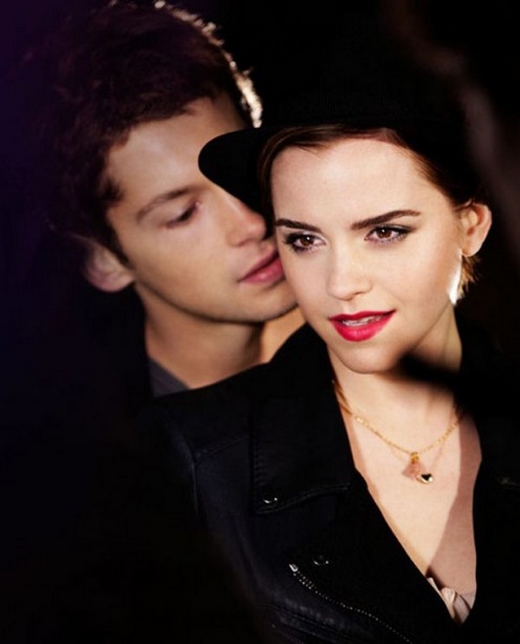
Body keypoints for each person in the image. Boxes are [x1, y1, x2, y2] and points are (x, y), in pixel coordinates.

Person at [140, 23, 520, 643]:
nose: (341, 282)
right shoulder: (189, 461)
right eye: (304, 240)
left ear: (471, 226)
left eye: (384, 231)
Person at [11, 0, 301, 420]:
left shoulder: (381, 313)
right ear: (103, 259)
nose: (252, 222)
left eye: (243, 167)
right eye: (183, 214)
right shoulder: (96, 442)